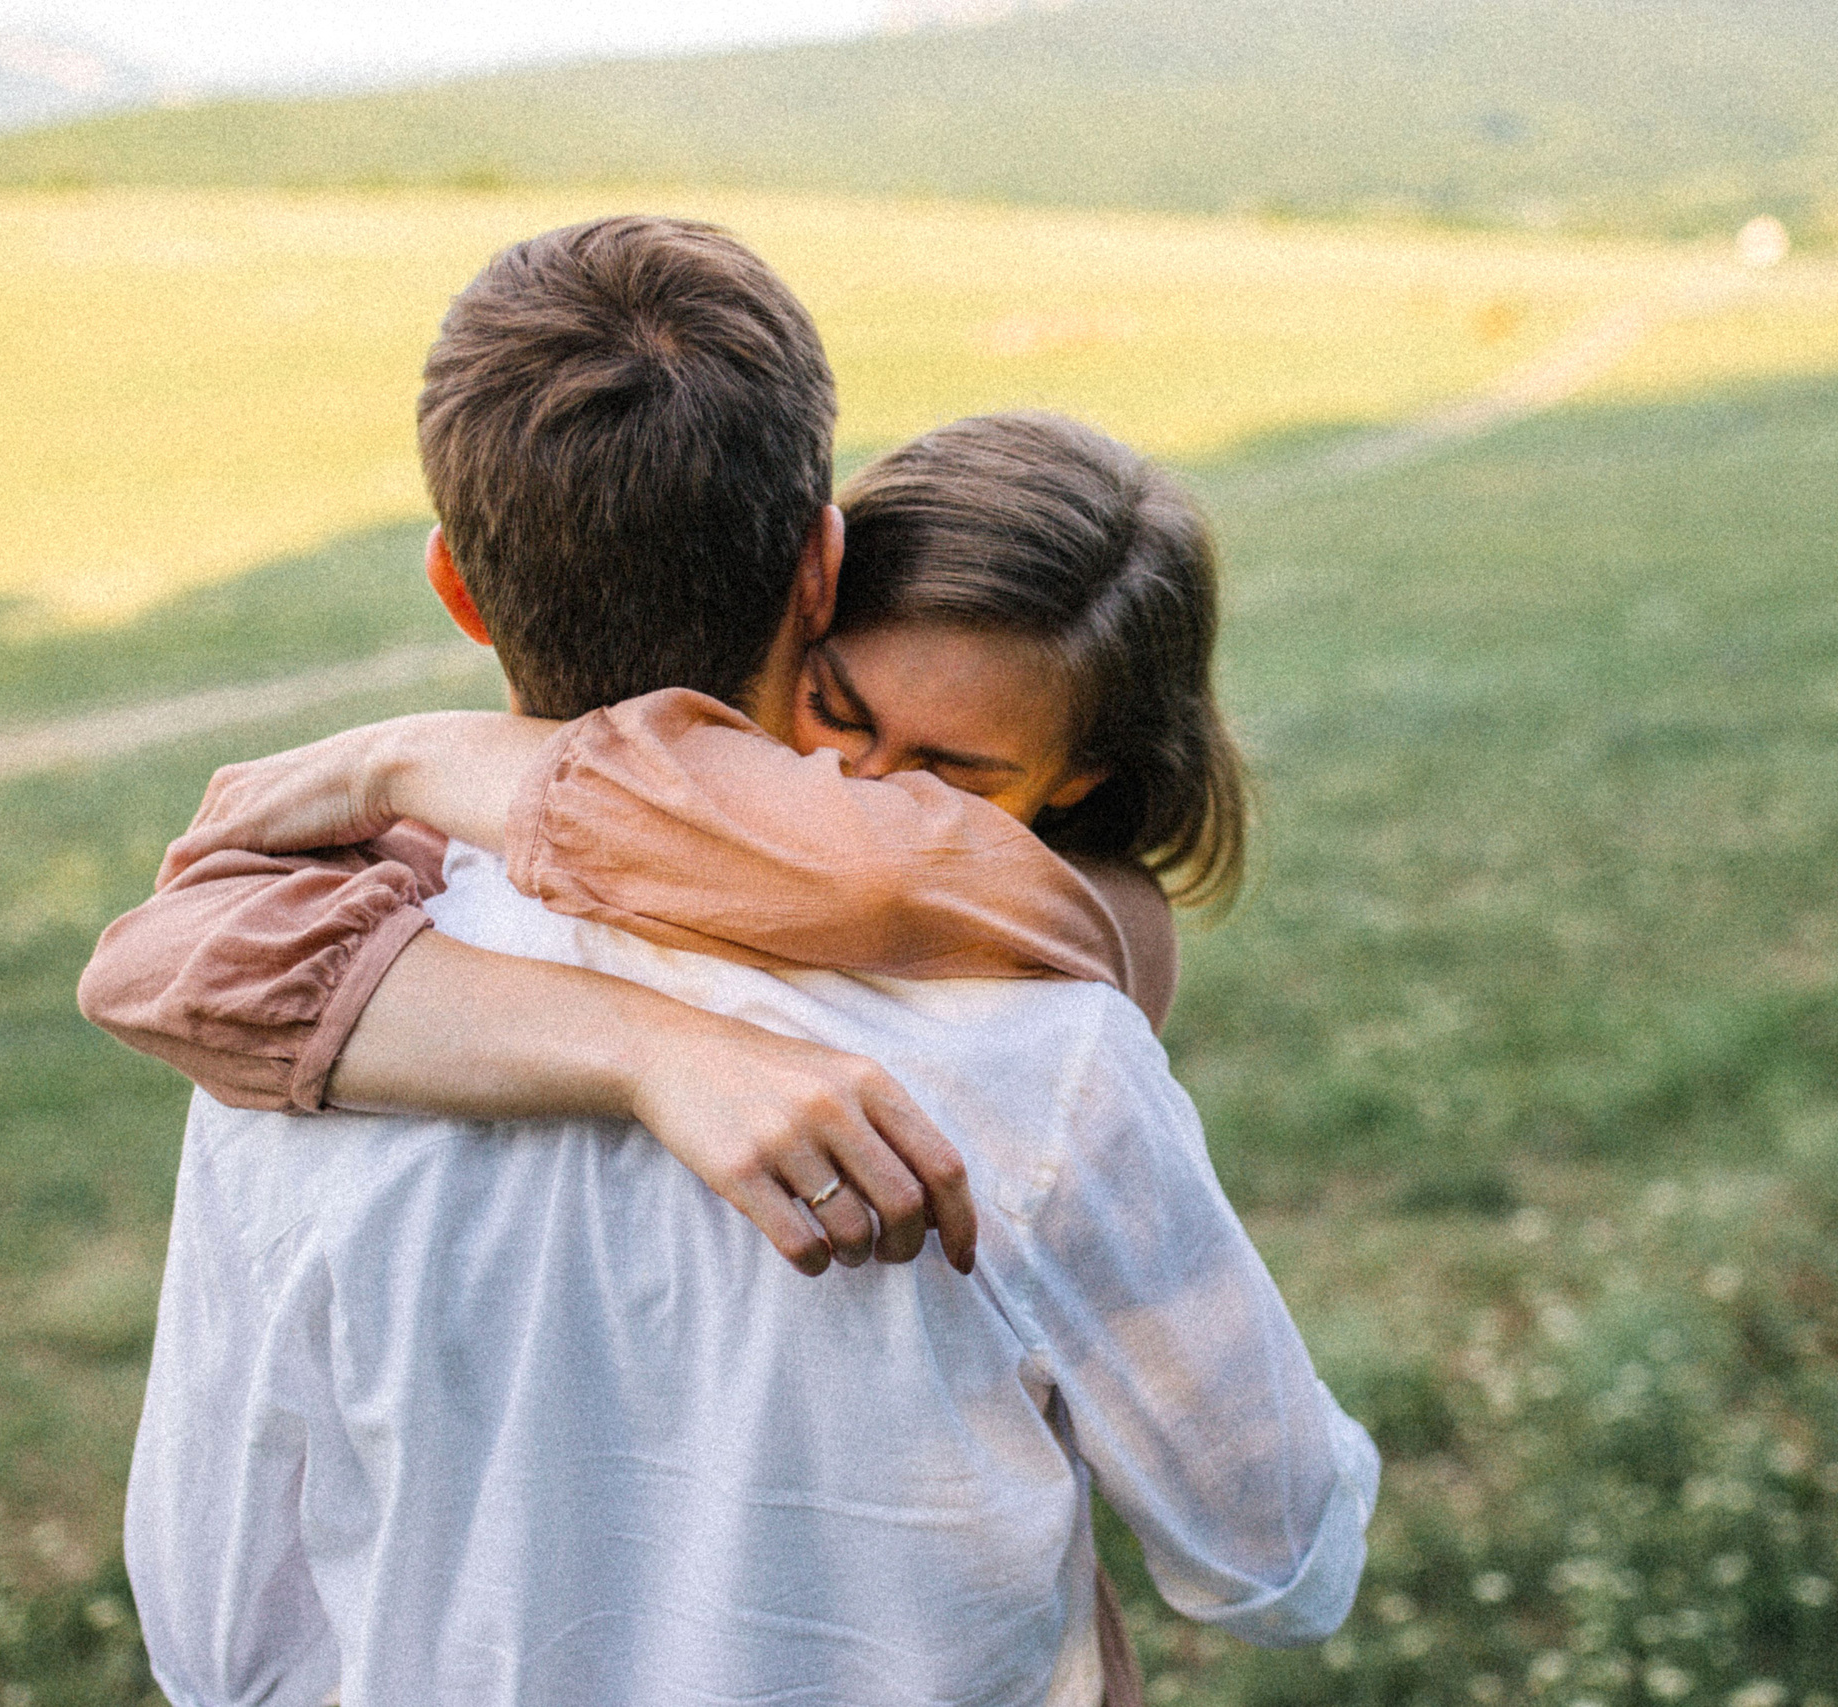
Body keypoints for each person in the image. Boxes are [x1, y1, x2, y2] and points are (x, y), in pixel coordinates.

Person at [104, 216, 1377, 1706]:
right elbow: (1276, 1559)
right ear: (825, 566)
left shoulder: (300, 1040)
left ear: (458, 585)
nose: (893, 785)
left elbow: (221, 1631)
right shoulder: (1040, 1041)